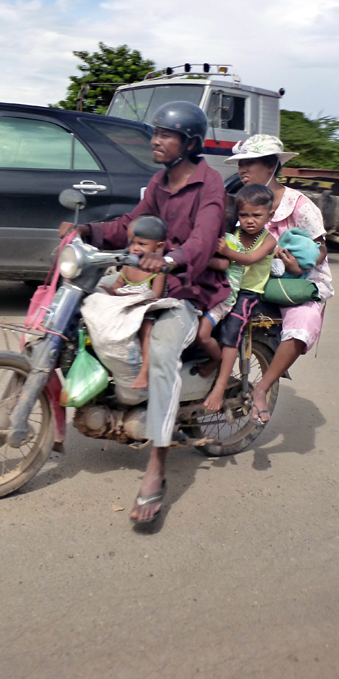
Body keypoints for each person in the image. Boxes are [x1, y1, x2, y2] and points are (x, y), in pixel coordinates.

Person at [59, 101, 229, 528]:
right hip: (145, 282)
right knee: (85, 308)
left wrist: (170, 260)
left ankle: (157, 465)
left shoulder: (211, 187)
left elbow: (204, 242)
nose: (155, 140)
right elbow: (133, 224)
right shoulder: (159, 181)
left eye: (165, 135)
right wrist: (88, 231)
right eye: (155, 133)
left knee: (163, 354)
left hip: (190, 289)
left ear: (189, 143)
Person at [223, 134, 334, 423]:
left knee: (304, 321)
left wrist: (298, 264)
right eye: (240, 164)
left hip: (294, 281)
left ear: (272, 165)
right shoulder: (240, 200)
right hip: (250, 277)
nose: (242, 170)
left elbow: (320, 248)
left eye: (250, 163)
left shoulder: (299, 204)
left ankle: (262, 388)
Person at [203, 184, 277, 412]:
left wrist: (227, 252)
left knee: (232, 332)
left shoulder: (269, 240)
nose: (250, 220)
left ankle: (220, 385)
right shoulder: (233, 235)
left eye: (257, 215)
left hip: (248, 293)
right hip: (225, 287)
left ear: (269, 214)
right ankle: (212, 360)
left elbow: (250, 259)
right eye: (244, 215)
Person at [100, 215, 168, 390]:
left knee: (146, 331)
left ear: (158, 247)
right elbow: (118, 283)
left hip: (144, 309)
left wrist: (132, 297)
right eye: (133, 243)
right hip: (125, 306)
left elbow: (156, 295)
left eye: (142, 244)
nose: (135, 248)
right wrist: (111, 291)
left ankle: (144, 372)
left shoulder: (158, 270)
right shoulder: (128, 265)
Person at [195, 195, 243, 376]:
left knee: (202, 334)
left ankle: (216, 359)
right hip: (211, 292)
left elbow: (223, 264)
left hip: (223, 298)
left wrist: (198, 259)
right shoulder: (220, 237)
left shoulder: (226, 241)